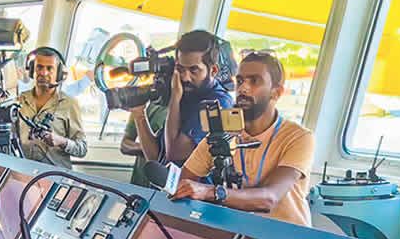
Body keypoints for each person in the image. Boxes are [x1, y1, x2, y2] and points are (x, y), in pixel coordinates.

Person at [170, 52, 315, 225]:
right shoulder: (221, 133)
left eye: (254, 81)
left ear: (276, 93)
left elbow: (269, 198)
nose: (243, 88)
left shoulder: (299, 137)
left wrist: (211, 192)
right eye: (240, 81)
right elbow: (184, 182)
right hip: (237, 237)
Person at [123, 29, 234, 186]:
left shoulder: (218, 103)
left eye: (194, 70)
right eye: (180, 69)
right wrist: (139, 115)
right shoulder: (187, 95)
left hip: (195, 199)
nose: (185, 77)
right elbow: (157, 157)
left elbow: (174, 153)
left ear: (213, 70)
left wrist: (175, 98)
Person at [16, 47, 88, 168]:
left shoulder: (69, 104)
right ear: (32, 70)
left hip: (56, 176)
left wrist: (61, 141)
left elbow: (82, 149)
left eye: (49, 68)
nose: (43, 73)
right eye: (39, 67)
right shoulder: (20, 101)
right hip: (25, 174)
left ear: (59, 74)